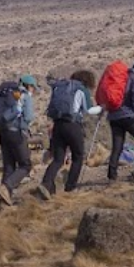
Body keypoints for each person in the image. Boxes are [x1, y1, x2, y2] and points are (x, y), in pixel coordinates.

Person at [38, 70, 96, 198]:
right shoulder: (81, 89)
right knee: (78, 156)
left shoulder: (62, 87)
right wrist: (103, 108)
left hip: (57, 125)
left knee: (58, 159)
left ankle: (46, 183)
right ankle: (70, 188)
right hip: (73, 126)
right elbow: (89, 109)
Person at [0, 77, 35, 203]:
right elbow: (29, 116)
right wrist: (24, 126)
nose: (34, 90)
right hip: (16, 133)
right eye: (33, 87)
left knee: (9, 166)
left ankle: (4, 202)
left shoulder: (6, 93)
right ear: (28, 85)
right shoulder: (24, 95)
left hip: (3, 132)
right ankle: (7, 187)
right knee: (26, 165)